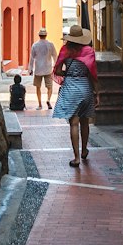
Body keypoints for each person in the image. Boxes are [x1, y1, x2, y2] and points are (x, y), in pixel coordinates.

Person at [52, 22, 99, 167]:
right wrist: (97, 93)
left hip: (71, 88)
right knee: (85, 122)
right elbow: (93, 74)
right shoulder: (89, 51)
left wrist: (69, 73)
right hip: (85, 88)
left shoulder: (65, 51)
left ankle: (77, 158)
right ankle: (84, 150)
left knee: (74, 123)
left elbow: (58, 71)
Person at [27, 26, 58, 110]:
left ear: (39, 35)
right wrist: (56, 66)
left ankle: (40, 104)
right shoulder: (50, 44)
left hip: (38, 69)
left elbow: (32, 58)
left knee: (38, 87)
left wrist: (30, 69)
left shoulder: (35, 45)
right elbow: (55, 55)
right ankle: (48, 100)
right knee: (50, 87)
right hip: (48, 69)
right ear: (46, 35)